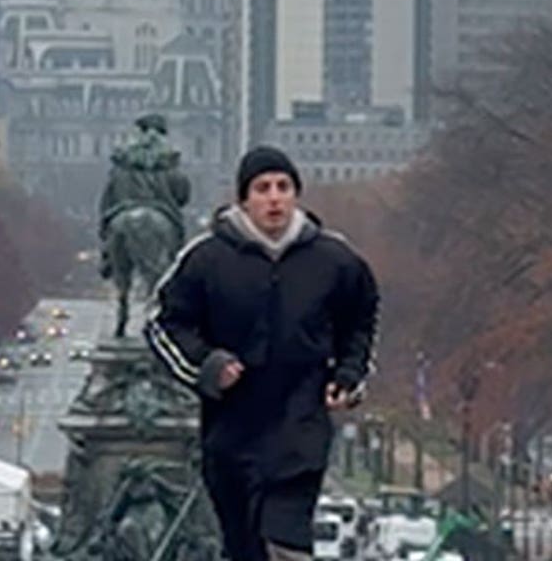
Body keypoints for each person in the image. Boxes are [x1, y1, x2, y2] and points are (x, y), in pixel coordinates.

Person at [143, 145, 379, 561]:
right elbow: (164, 324)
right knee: (244, 543)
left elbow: (360, 321)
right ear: (243, 200)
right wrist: (207, 365)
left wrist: (348, 375)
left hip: (300, 423)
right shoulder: (207, 259)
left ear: (296, 195)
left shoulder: (334, 260)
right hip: (232, 430)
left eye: (283, 187)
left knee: (286, 535)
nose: (274, 197)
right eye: (262, 188)